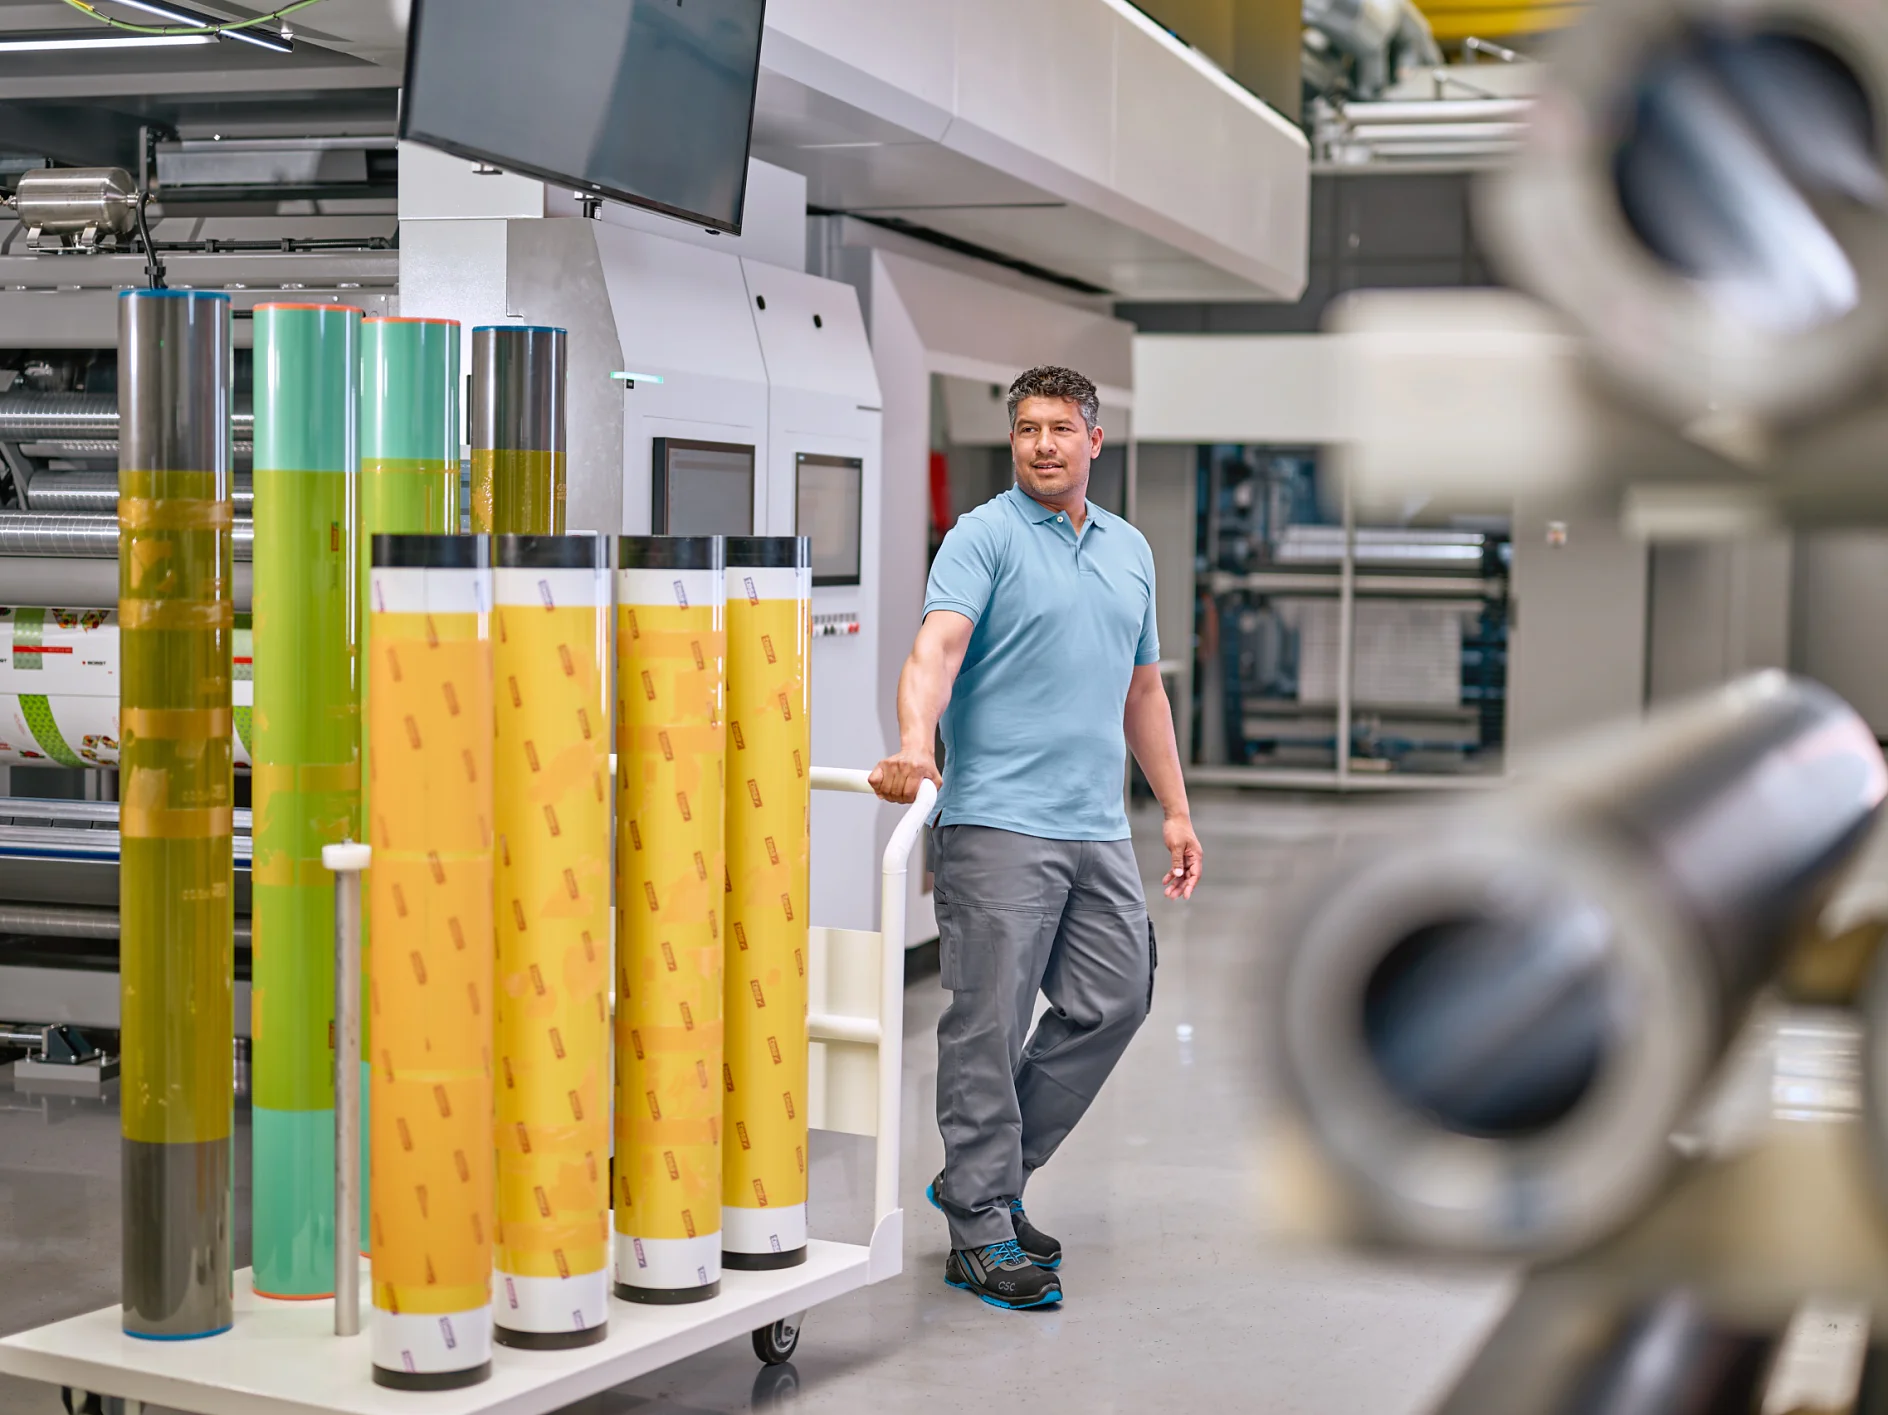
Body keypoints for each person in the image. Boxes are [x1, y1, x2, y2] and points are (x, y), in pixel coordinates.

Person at [870, 365, 1203, 1311]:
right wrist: (915, 742)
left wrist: (1175, 809)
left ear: (1095, 439)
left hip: (1097, 824)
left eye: (1060, 427)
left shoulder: (1130, 549)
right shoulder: (982, 537)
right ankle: (979, 1227)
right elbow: (936, 648)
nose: (1043, 444)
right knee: (987, 1023)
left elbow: (1143, 691)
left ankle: (987, 1176)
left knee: (1116, 999)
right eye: (1026, 428)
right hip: (999, 823)